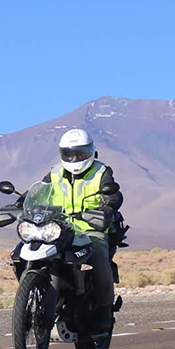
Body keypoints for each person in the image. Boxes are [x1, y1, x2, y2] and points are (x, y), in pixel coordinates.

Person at [42, 128, 124, 333]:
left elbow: (114, 195)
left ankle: (104, 311)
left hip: (91, 229)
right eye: (69, 153)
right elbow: (39, 191)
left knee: (98, 259)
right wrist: (21, 202)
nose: (74, 158)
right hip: (59, 228)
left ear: (91, 151)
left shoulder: (101, 172)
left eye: (79, 153)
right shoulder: (54, 173)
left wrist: (108, 206)